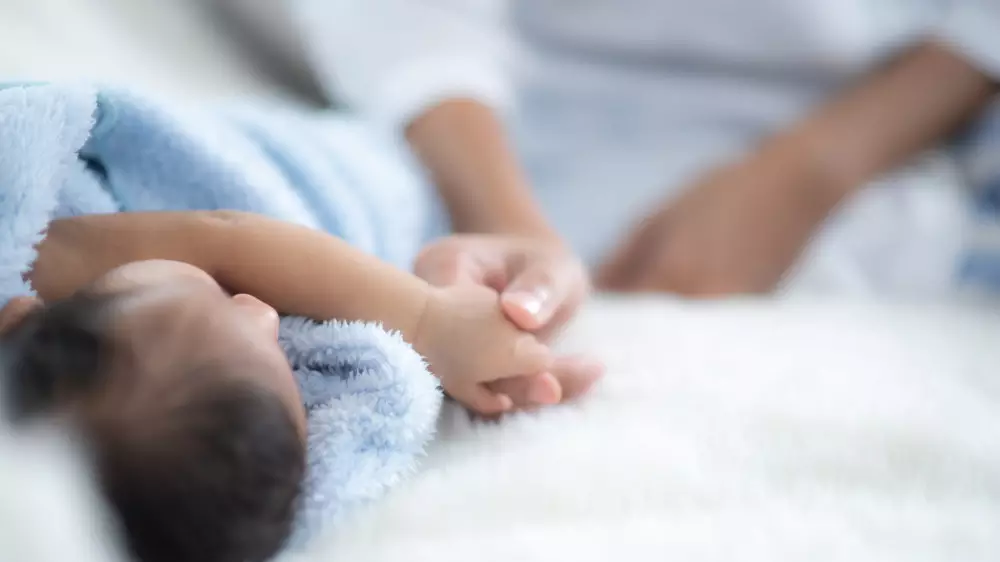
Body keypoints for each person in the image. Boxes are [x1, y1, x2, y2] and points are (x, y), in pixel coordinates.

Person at [270, 0, 999, 320]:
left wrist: (812, 172)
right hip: (531, 116)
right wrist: (518, 233)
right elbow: (408, 26)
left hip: (925, 105)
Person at [0, 209, 588, 562]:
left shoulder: (37, 256)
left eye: (211, 294)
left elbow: (225, 235)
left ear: (23, 318)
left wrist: (427, 319)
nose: (265, 311)